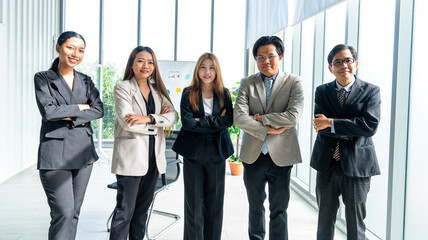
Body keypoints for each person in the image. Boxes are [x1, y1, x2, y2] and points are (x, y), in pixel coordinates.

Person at [34, 31, 104, 240]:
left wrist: (68, 112)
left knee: (73, 214)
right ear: (58, 47)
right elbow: (48, 112)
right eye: (70, 47)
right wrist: (80, 108)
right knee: (62, 213)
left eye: (81, 50)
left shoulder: (86, 80)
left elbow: (99, 110)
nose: (76, 54)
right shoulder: (43, 78)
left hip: (83, 153)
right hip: (55, 155)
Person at [233, 36, 304, 240]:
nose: (266, 61)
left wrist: (258, 118)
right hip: (253, 156)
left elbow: (294, 116)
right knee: (255, 208)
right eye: (260, 57)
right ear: (256, 59)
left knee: (279, 210)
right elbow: (239, 118)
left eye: (271, 56)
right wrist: (268, 129)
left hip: (282, 156)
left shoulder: (293, 82)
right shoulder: (248, 83)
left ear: (280, 56)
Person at [311, 44, 381, 240]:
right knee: (324, 220)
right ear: (330, 68)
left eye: (347, 60)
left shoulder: (371, 91)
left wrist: (331, 122)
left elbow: (370, 126)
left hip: (358, 166)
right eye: (337, 62)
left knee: (355, 223)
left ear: (355, 63)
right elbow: (319, 125)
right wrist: (351, 127)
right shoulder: (322, 91)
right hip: (327, 164)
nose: (344, 66)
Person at [109, 46, 178, 240]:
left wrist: (148, 119)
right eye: (140, 60)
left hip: (153, 159)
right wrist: (158, 120)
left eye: (150, 62)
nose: (145, 65)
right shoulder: (123, 88)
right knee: (124, 213)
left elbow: (173, 117)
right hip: (131, 158)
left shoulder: (158, 91)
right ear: (132, 64)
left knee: (141, 213)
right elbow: (128, 122)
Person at [172, 52, 234, 240]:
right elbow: (188, 123)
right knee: (194, 205)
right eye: (203, 67)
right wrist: (215, 121)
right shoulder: (188, 93)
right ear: (197, 69)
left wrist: (202, 121)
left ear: (217, 71)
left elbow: (229, 121)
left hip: (217, 151)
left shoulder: (224, 93)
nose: (207, 72)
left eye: (211, 68)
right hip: (193, 152)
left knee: (215, 204)